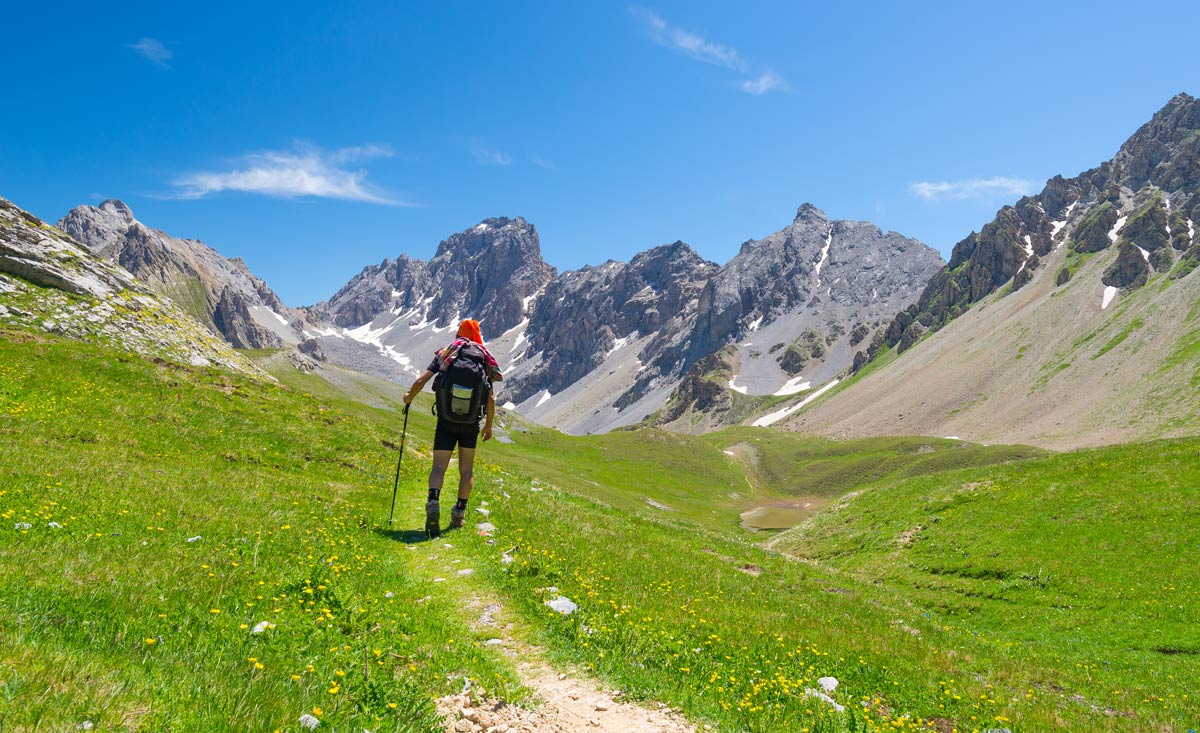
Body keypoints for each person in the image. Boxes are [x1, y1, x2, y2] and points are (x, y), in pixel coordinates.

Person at [403, 318, 502, 537]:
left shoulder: (448, 353)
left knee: (439, 467)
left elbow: (423, 379)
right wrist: (488, 426)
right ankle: (459, 514)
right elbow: (491, 398)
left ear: (459, 333)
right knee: (466, 470)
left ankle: (433, 502)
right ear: (477, 335)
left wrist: (409, 397)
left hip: (446, 420)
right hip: (470, 424)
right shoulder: (483, 358)